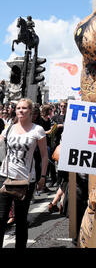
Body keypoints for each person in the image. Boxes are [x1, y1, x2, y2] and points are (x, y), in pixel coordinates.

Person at [0, 98, 48, 248]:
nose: (20, 110)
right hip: (5, 177)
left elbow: (44, 156)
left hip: (26, 180)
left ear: (31, 111)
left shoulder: (37, 130)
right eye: (18, 108)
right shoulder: (9, 127)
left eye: (24, 108)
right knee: (1, 218)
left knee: (21, 220)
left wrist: (43, 177)